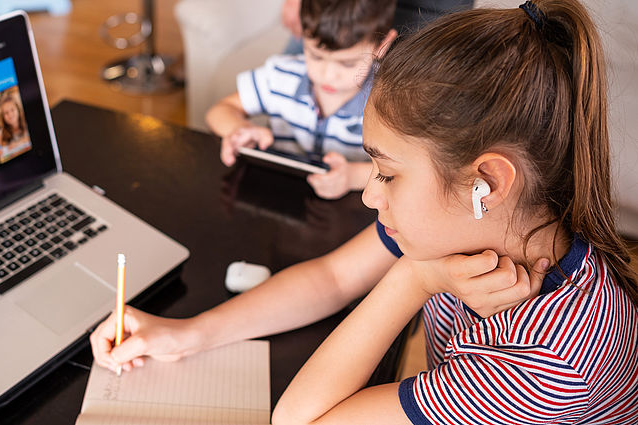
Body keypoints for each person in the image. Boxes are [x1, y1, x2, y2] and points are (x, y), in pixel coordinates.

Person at [93, 0, 638, 422]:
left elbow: (298, 419)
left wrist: (415, 280)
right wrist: (186, 334)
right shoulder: (471, 226)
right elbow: (332, 277)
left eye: (388, 173)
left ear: (486, 182)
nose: (369, 195)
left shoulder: (550, 364)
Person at [206, 0, 397, 200]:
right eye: (316, 56)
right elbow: (220, 110)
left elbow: (402, 169)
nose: (328, 75)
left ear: (382, 44)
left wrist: (352, 177)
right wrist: (238, 129)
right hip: (276, 197)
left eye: (347, 63)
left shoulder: (389, 101)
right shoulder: (282, 75)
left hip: (350, 210)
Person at [0, 92, 31, 163]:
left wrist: (17, 145)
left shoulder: (27, 124)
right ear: (3, 117)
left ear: (18, 110)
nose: (10, 115)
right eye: (6, 113)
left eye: (12, 110)